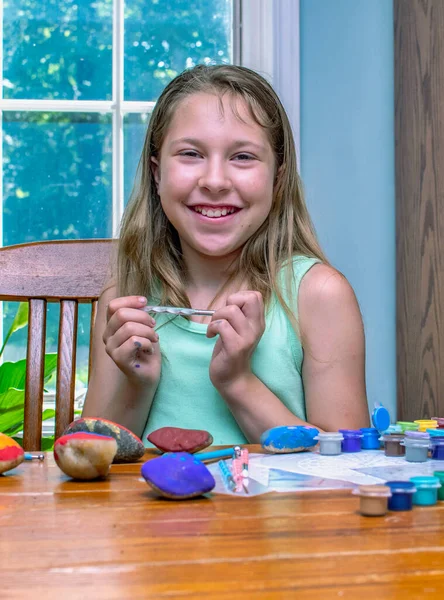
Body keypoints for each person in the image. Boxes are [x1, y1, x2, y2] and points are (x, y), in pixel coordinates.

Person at [82, 64, 370, 445]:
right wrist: (137, 383)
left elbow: (349, 468)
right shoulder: (124, 299)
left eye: (243, 157)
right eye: (190, 153)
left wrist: (237, 381)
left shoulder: (319, 296)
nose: (215, 181)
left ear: (277, 178)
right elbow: (91, 459)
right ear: (157, 173)